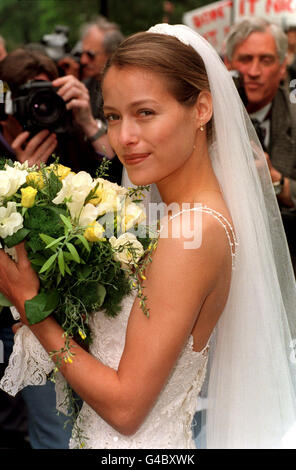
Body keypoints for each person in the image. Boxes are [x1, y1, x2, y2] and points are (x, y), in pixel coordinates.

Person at [0, 23, 296, 449]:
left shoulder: (190, 232)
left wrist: (33, 310)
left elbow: (125, 408)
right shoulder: (177, 217)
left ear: (201, 110)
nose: (124, 138)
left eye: (145, 113)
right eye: (114, 117)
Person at [224, 17, 296, 272]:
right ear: (228, 63)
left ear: (281, 66)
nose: (254, 71)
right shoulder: (206, 113)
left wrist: (275, 181)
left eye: (265, 60)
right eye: (245, 59)